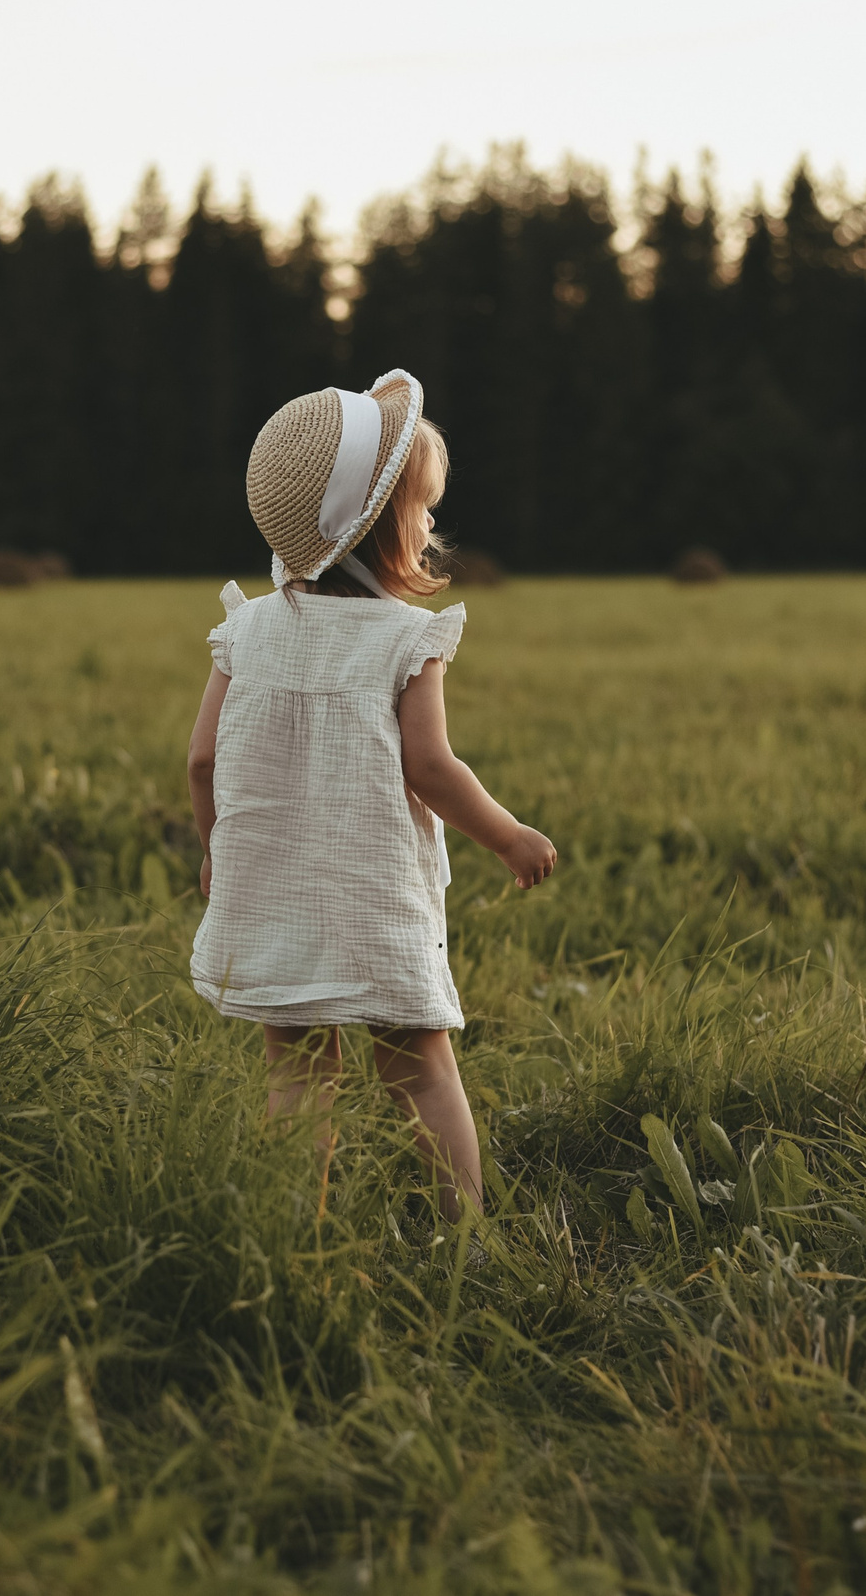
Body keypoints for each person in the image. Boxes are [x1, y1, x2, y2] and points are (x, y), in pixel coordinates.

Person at [185, 370, 557, 1222]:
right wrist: (507, 835)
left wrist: (216, 849)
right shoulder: (405, 638)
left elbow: (202, 759)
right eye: (422, 508)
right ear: (377, 526)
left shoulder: (244, 629)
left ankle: (295, 1229)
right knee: (422, 1068)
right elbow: (431, 767)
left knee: (299, 1071)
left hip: (269, 885)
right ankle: (465, 1232)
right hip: (373, 893)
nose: (431, 524)